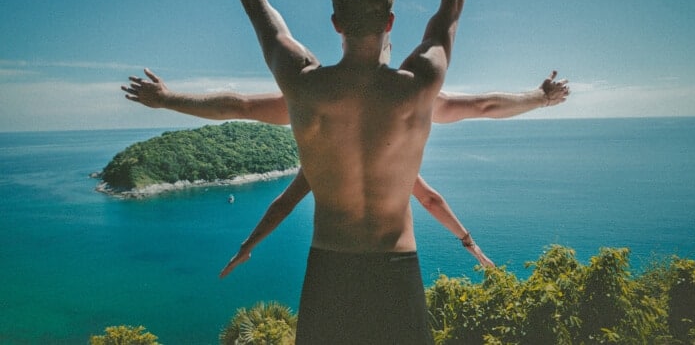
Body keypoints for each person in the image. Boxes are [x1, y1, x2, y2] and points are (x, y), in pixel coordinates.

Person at [209, 0, 470, 343]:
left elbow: (260, 11)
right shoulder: (420, 84)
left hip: (330, 267)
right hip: (397, 265)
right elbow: (447, 16)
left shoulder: (304, 84)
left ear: (335, 23)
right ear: (389, 22)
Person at [122, 68, 569, 270]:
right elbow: (480, 111)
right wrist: (540, 97)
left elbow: (241, 112)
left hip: (331, 265)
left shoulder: (321, 146)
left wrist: (169, 99)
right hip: (395, 263)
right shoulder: (399, 140)